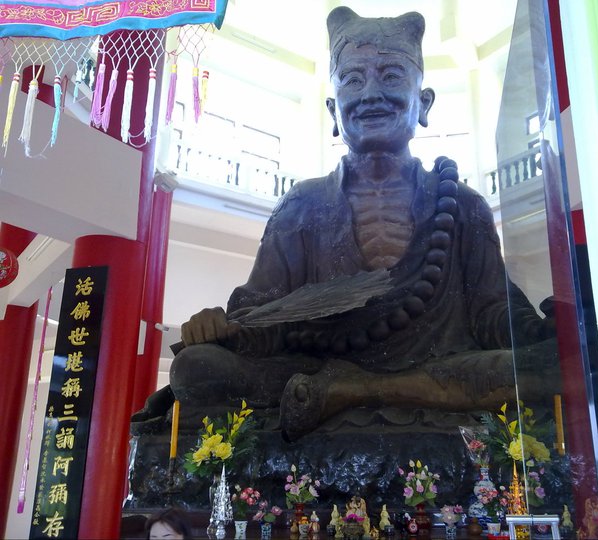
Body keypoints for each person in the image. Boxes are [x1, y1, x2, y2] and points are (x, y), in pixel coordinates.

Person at [134, 7, 554, 442]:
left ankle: (355, 392)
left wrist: (541, 332)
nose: (371, 93)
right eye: (353, 80)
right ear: (334, 110)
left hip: (440, 367)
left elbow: (491, 313)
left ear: (424, 103)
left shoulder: (462, 205)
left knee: (555, 364)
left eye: (391, 76)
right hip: (321, 367)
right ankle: (355, 389)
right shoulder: (302, 205)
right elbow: (263, 320)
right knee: (195, 368)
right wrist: (222, 327)